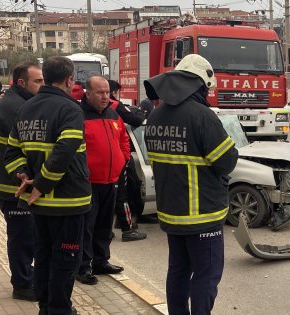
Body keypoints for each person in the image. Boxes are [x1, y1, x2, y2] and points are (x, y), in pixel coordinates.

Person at [144, 54, 238, 315]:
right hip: (202, 213)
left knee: (178, 271)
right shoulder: (202, 116)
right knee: (206, 276)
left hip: (171, 213)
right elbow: (226, 161)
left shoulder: (155, 116)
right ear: (199, 85)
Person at [4, 56, 91, 315]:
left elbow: (12, 153)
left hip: (38, 204)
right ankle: (59, 309)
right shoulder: (70, 109)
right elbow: (65, 150)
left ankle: (45, 306)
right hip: (68, 202)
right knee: (66, 258)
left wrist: (24, 177)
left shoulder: (27, 108)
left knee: (43, 256)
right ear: (68, 79)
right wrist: (41, 184)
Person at [0, 62, 44, 302]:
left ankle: (26, 277)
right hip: (11, 185)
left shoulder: (18, 101)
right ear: (22, 83)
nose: (42, 85)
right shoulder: (15, 107)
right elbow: (29, 144)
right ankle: (22, 284)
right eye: (38, 81)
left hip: (14, 183)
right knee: (22, 236)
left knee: (27, 234)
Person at [75, 76, 128, 285]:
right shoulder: (79, 116)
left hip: (110, 180)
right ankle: (83, 266)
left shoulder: (114, 115)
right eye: (100, 92)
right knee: (87, 226)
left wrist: (122, 159)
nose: (106, 96)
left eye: (107, 92)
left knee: (105, 225)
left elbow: (124, 138)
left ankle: (100, 260)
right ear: (88, 93)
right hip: (88, 182)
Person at [107, 79, 149, 241]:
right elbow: (136, 120)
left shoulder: (84, 107)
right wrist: (140, 112)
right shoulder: (114, 106)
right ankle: (127, 228)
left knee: (103, 195)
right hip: (117, 157)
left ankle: (104, 228)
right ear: (113, 92)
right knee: (122, 194)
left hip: (101, 160)